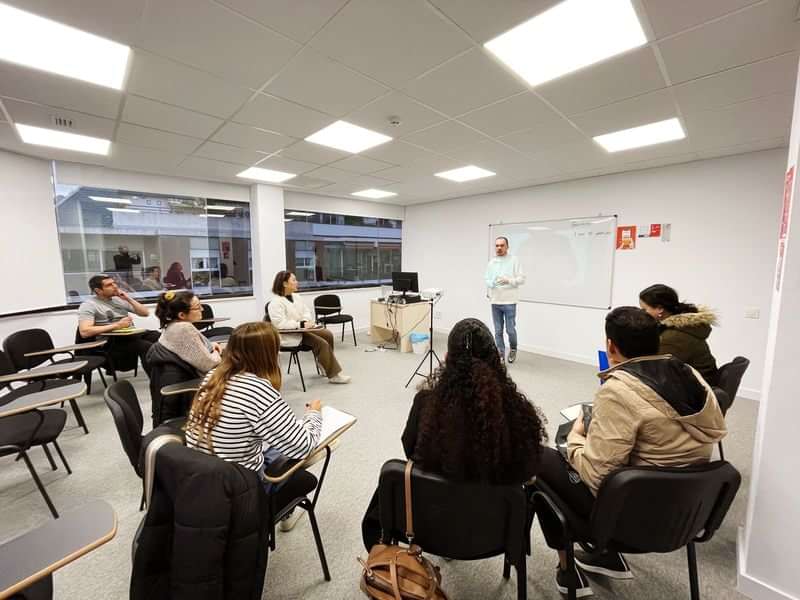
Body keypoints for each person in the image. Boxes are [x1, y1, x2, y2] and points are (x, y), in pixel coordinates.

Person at [534, 307, 726, 597]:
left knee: (540, 458)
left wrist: (575, 439)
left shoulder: (618, 392)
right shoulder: (690, 375)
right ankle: (603, 558)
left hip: (631, 519)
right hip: (688, 511)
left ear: (611, 346)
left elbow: (596, 475)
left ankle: (569, 568)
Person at [361, 317, 547, 550]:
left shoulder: (425, 403)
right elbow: (526, 473)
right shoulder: (517, 414)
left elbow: (411, 450)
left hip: (428, 522)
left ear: (448, 359)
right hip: (491, 534)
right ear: (495, 359)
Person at [185, 321, 322, 531]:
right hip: (242, 486)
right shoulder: (257, 389)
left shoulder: (212, 377)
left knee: (277, 439)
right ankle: (282, 510)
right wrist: (314, 413)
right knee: (319, 446)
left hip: (206, 477)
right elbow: (303, 446)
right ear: (269, 353)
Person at [268, 271, 351, 384]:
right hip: (289, 334)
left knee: (327, 334)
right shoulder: (275, 303)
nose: (297, 282)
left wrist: (306, 321)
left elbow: (306, 312)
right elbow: (280, 324)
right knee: (322, 343)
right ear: (284, 284)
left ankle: (323, 362)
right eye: (294, 280)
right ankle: (333, 375)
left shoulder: (297, 297)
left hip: (303, 330)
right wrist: (300, 325)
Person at [77, 274, 161, 374]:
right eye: (109, 285)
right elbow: (85, 331)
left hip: (129, 335)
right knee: (145, 346)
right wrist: (117, 325)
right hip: (111, 342)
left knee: (159, 337)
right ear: (98, 290)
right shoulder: (89, 305)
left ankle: (169, 371)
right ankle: (156, 380)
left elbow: (145, 313)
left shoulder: (118, 300)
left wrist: (128, 298)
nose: (115, 286)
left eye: (114, 283)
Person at [639, 284, 720, 386]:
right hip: (701, 380)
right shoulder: (683, 328)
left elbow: (656, 371)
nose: (642, 314)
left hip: (696, 389)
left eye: (644, 309)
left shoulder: (674, 337)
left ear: (660, 309)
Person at [485, 236, 525, 363]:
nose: (499, 248)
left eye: (502, 245)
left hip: (509, 301)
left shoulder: (514, 260)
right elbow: (487, 279)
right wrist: (492, 284)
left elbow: (521, 279)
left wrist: (508, 280)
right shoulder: (491, 263)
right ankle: (500, 353)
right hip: (495, 301)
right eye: (497, 245)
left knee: (510, 330)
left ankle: (513, 349)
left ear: (507, 247)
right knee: (498, 331)